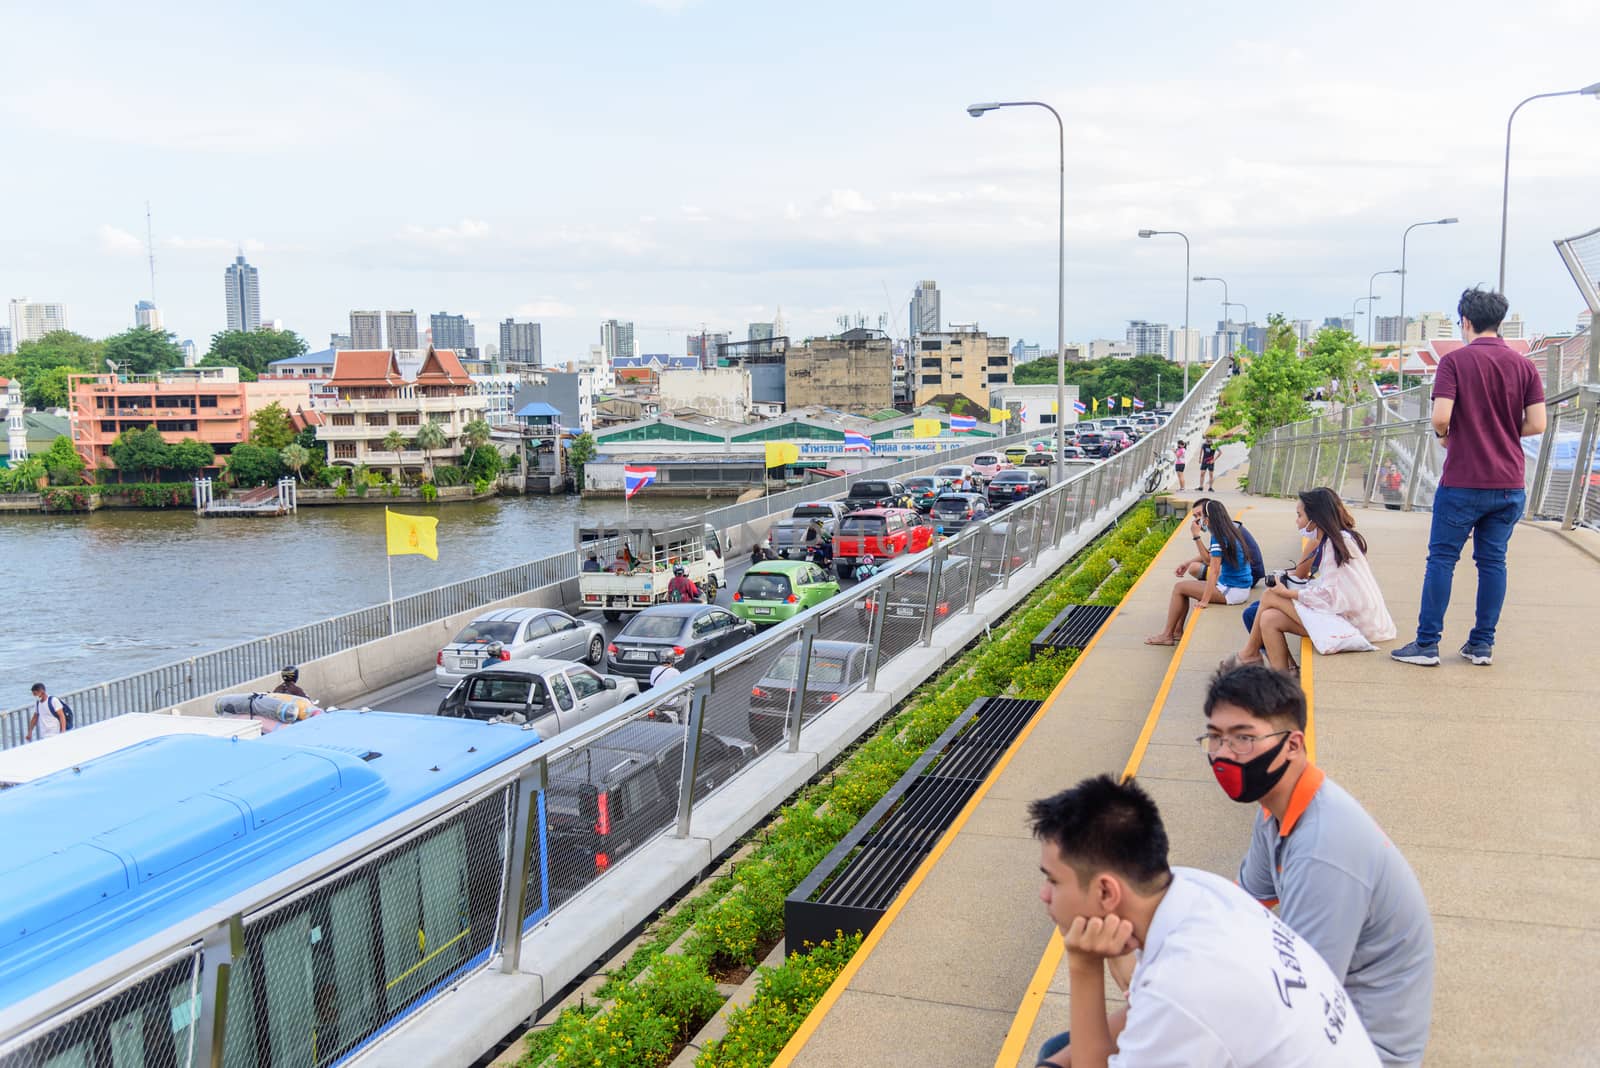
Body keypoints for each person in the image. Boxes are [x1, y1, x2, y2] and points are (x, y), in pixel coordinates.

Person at [1030, 774, 1379, 1068]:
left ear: (1107, 892)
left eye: (1054, 880)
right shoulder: (1193, 888)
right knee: (1059, 1051)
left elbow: (1168, 1004)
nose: (1045, 895)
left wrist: (1084, 966)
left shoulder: (1183, 984)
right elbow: (1143, 1008)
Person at [1202, 666, 1433, 1067]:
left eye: (1243, 738)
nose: (1224, 754)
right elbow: (1244, 905)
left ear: (1292, 744)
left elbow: (1298, 998)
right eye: (1216, 737)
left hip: (1363, 1049)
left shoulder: (1323, 850)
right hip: (1327, 1021)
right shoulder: (1276, 807)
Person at [1393, 287, 1546, 668]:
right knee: (1493, 561)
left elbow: (1441, 417)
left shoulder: (1454, 363)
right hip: (1510, 482)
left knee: (1442, 559)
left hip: (1463, 480)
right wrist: (1504, 431)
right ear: (1499, 320)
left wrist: (1447, 437)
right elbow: (1537, 423)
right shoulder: (1525, 366)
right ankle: (1481, 645)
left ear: (1465, 321)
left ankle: (1427, 645)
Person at [1225, 489, 1395, 674]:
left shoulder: (1334, 546)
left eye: (1299, 515)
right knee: (1268, 618)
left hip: (1359, 624)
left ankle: (1249, 654)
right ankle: (1284, 678)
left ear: (1314, 520)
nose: (1297, 521)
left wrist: (1287, 593)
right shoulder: (1340, 540)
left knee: (1270, 596)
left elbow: (1330, 596)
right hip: (1364, 620)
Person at [1146, 500, 1251, 646]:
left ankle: (1167, 635)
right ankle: (1176, 632)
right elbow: (1210, 557)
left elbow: (1213, 568)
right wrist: (1188, 562)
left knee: (1179, 588)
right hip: (1237, 587)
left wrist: (1205, 600)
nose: (1198, 520)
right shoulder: (1228, 530)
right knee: (1185, 588)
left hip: (1232, 590)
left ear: (1208, 518)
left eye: (1200, 516)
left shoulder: (1219, 537)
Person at [1177, 498, 1265, 589]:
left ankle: (1217, 585)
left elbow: (1208, 560)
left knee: (1194, 569)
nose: (1197, 519)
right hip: (1249, 572)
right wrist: (1186, 564)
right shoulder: (1228, 526)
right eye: (1195, 516)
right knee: (1193, 566)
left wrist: (1196, 536)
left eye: (1200, 514)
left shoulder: (1222, 531)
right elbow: (1212, 552)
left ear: (1210, 512)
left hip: (1248, 576)